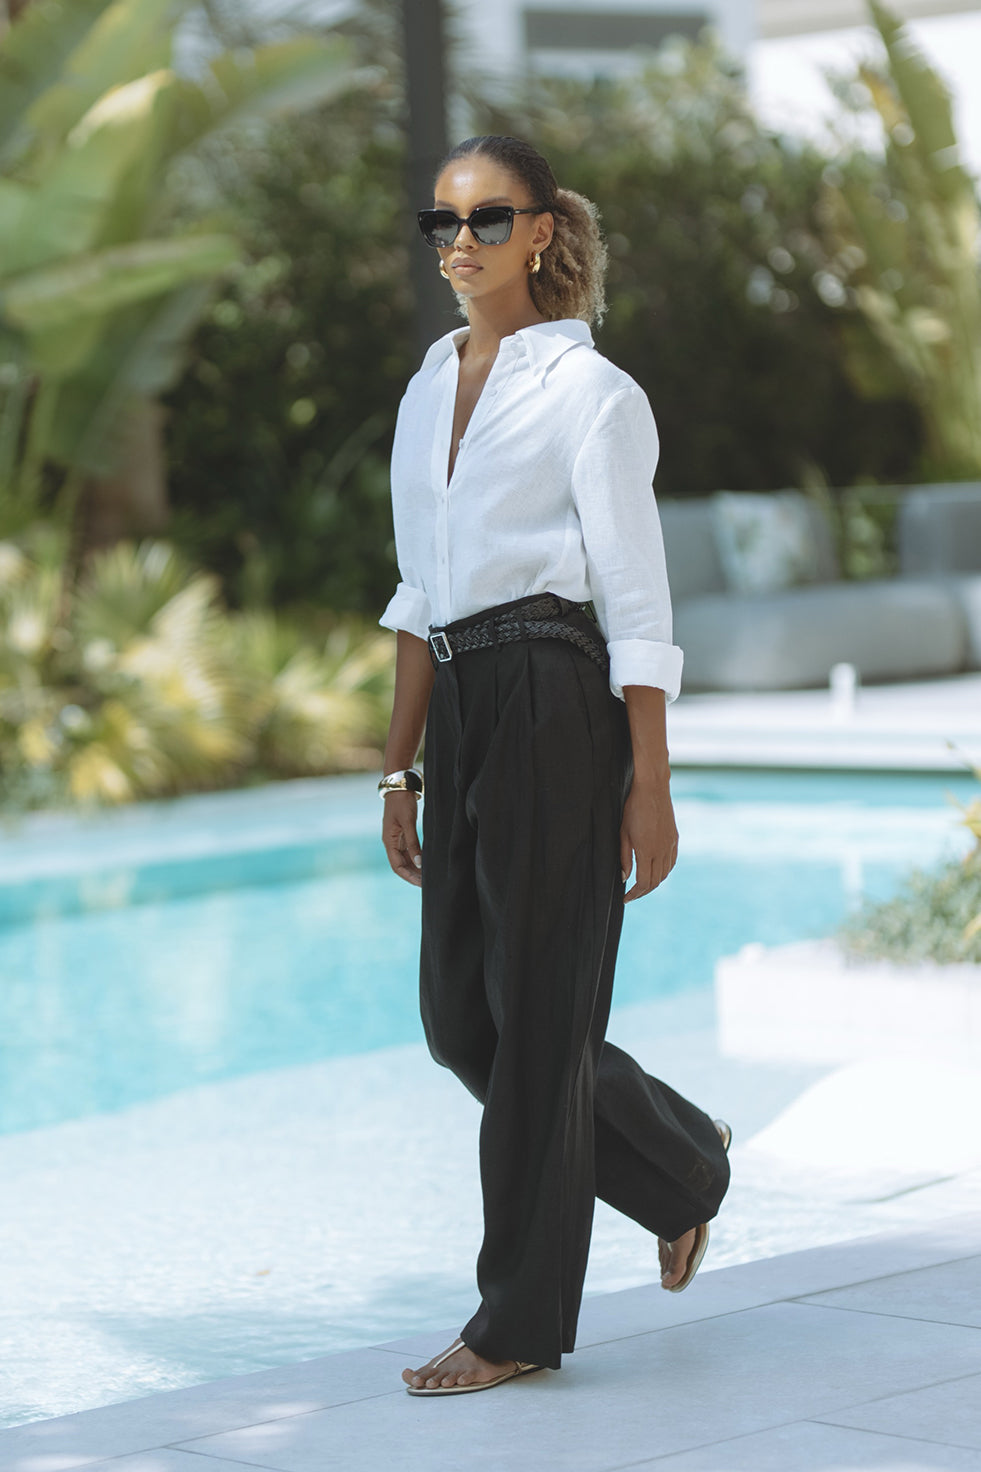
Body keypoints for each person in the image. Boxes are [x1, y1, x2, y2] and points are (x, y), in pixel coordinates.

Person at [378, 135, 730, 1397]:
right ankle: (681, 1163)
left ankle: (518, 1318)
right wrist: (399, 766)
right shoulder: (428, 387)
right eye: (444, 221)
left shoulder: (593, 393)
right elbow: (417, 591)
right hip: (464, 701)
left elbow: (636, 599)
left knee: (535, 1025)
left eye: (488, 219)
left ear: (540, 231)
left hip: (555, 695)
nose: (460, 242)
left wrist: (651, 779)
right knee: (462, 1021)